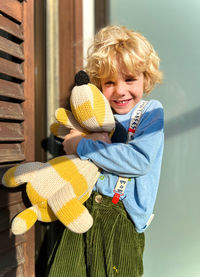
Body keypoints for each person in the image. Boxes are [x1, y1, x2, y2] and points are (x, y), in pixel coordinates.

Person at [46, 25, 164, 277]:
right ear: (98, 84)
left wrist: (83, 145)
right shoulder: (96, 114)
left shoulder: (150, 112)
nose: (120, 90)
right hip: (82, 208)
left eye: (130, 79)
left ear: (146, 77)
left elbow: (139, 161)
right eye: (109, 82)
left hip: (120, 221)